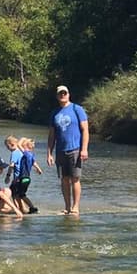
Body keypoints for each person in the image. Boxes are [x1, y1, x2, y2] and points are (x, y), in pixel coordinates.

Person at [47, 85, 89, 215]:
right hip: (60, 150)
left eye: (64, 93)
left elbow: (85, 130)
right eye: (60, 94)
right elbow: (52, 135)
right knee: (64, 179)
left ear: (69, 94)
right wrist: (49, 153)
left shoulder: (77, 109)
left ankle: (75, 207)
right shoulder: (55, 113)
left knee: (75, 178)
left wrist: (84, 149)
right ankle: (67, 207)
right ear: (57, 96)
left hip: (75, 149)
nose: (63, 95)